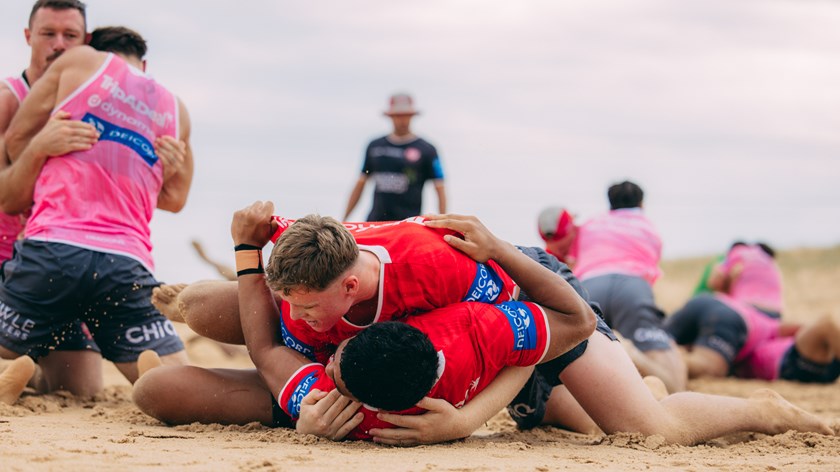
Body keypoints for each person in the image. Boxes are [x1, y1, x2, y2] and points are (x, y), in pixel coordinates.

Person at [284, 215, 833, 445]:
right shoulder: (311, 275)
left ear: (350, 286)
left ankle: (766, 411)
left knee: (647, 432)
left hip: (542, 301)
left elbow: (523, 341)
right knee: (569, 419)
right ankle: (640, 384)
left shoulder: (439, 271)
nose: (303, 317)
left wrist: (468, 422)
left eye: (309, 309)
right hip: (492, 330)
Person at [0, 25, 193, 402]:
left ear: (93, 50)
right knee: (181, 374)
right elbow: (175, 198)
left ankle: (8, 368)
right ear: (145, 63)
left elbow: (15, 139)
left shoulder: (80, 62)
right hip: (126, 261)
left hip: (54, 249)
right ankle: (157, 376)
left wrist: (46, 145)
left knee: (8, 343)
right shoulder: (175, 107)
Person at [570, 180, 687, 393]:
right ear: (641, 204)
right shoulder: (648, 227)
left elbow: (573, 258)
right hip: (632, 288)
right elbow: (651, 268)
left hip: (589, 285)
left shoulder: (590, 224)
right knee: (674, 382)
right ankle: (631, 352)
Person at [664, 293, 840, 384]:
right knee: (709, 367)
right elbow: (827, 323)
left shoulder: (767, 332)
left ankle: (655, 357)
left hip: (715, 306)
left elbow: (808, 326)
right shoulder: (813, 358)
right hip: (731, 319)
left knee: (650, 341)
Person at [343, 93, 446, 221]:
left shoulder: (427, 150)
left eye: (406, 116)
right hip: (376, 221)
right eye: (398, 116)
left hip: (408, 223)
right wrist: (344, 219)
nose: (402, 120)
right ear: (390, 116)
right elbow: (361, 183)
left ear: (412, 116)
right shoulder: (374, 146)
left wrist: (443, 222)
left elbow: (440, 188)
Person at [707, 241, 784, 319]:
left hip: (748, 308)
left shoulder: (737, 252)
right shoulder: (766, 258)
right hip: (775, 310)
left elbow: (717, 280)